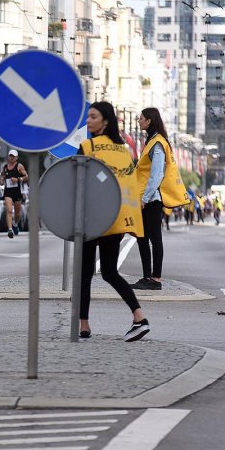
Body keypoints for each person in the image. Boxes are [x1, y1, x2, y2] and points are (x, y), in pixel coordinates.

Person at [78, 101, 150, 342]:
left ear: (105, 121)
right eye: (88, 117)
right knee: (109, 271)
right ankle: (139, 317)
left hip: (91, 218)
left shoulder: (87, 147)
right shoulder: (124, 151)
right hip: (115, 218)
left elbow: (77, 184)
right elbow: (128, 186)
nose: (88, 120)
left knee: (85, 273)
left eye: (93, 116)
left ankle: (84, 325)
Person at [132, 107, 189, 291]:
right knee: (141, 237)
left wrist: (145, 198)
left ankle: (155, 279)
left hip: (152, 199)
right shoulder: (151, 141)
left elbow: (156, 175)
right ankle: (147, 276)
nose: (138, 121)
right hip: (145, 197)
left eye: (141, 118)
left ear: (149, 121)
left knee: (154, 238)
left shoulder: (157, 143)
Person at [1, 149, 29, 238]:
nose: (12, 158)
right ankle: (9, 230)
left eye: (13, 156)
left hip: (17, 191)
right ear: (8, 157)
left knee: (17, 214)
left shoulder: (19, 166)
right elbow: (2, 175)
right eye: (10, 156)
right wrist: (1, 180)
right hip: (8, 191)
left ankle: (15, 224)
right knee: (9, 210)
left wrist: (18, 179)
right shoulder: (5, 167)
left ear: (16, 157)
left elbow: (26, 176)